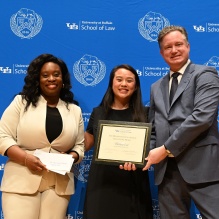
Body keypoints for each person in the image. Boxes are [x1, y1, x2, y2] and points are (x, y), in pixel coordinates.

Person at [142, 25, 219, 218]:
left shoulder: (206, 74)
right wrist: (138, 157)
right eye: (168, 47)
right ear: (161, 52)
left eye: (179, 44)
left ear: (188, 46)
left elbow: (201, 118)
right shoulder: (156, 87)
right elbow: (154, 129)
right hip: (167, 173)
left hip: (203, 168)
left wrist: (165, 149)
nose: (174, 50)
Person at [0, 54, 84, 219]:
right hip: (21, 179)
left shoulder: (74, 110)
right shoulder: (21, 102)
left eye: (56, 74)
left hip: (58, 185)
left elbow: (79, 146)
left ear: (63, 78)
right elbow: (3, 136)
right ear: (37, 79)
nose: (51, 79)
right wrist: (25, 159)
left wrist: (71, 157)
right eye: (45, 75)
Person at [83, 64, 153, 219]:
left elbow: (151, 146)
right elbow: (87, 142)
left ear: (135, 86)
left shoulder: (146, 114)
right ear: (111, 83)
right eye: (119, 79)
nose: (124, 84)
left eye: (129, 80)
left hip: (133, 182)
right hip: (102, 182)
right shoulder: (98, 112)